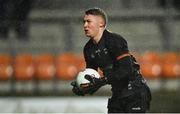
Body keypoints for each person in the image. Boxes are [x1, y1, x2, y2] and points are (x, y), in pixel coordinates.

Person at [71, 7, 152, 113]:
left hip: (135, 91)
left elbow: (127, 70)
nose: (85, 25)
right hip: (117, 93)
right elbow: (94, 78)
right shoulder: (88, 49)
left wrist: (103, 80)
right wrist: (85, 88)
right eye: (84, 22)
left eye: (88, 21)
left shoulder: (114, 40)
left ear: (101, 24)